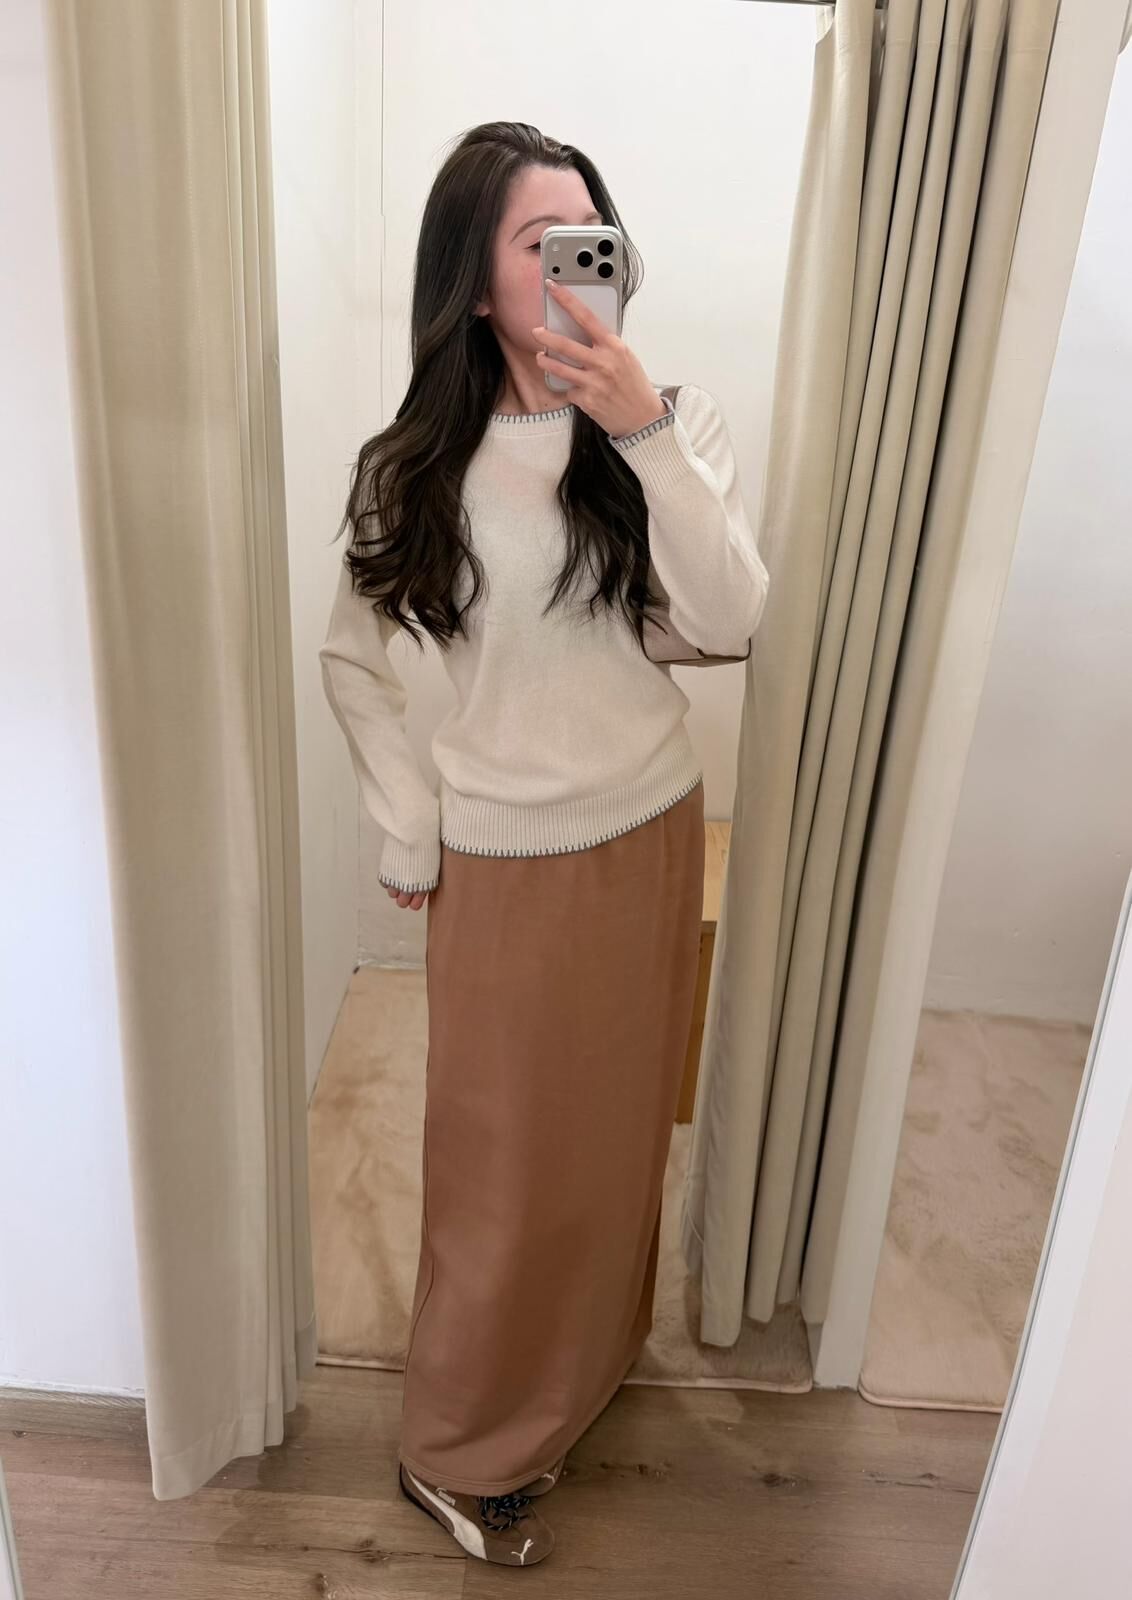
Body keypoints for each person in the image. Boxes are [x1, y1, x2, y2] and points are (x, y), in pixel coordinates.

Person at [318, 120, 769, 1569]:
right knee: (500, 1166)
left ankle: (577, 1372)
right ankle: (457, 1446)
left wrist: (639, 434)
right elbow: (351, 661)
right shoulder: (412, 467)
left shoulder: (671, 424)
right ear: (474, 278)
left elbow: (733, 620)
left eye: (594, 235)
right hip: (503, 863)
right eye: (541, 241)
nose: (581, 262)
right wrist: (408, 819)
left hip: (648, 829)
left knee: (617, 1137)